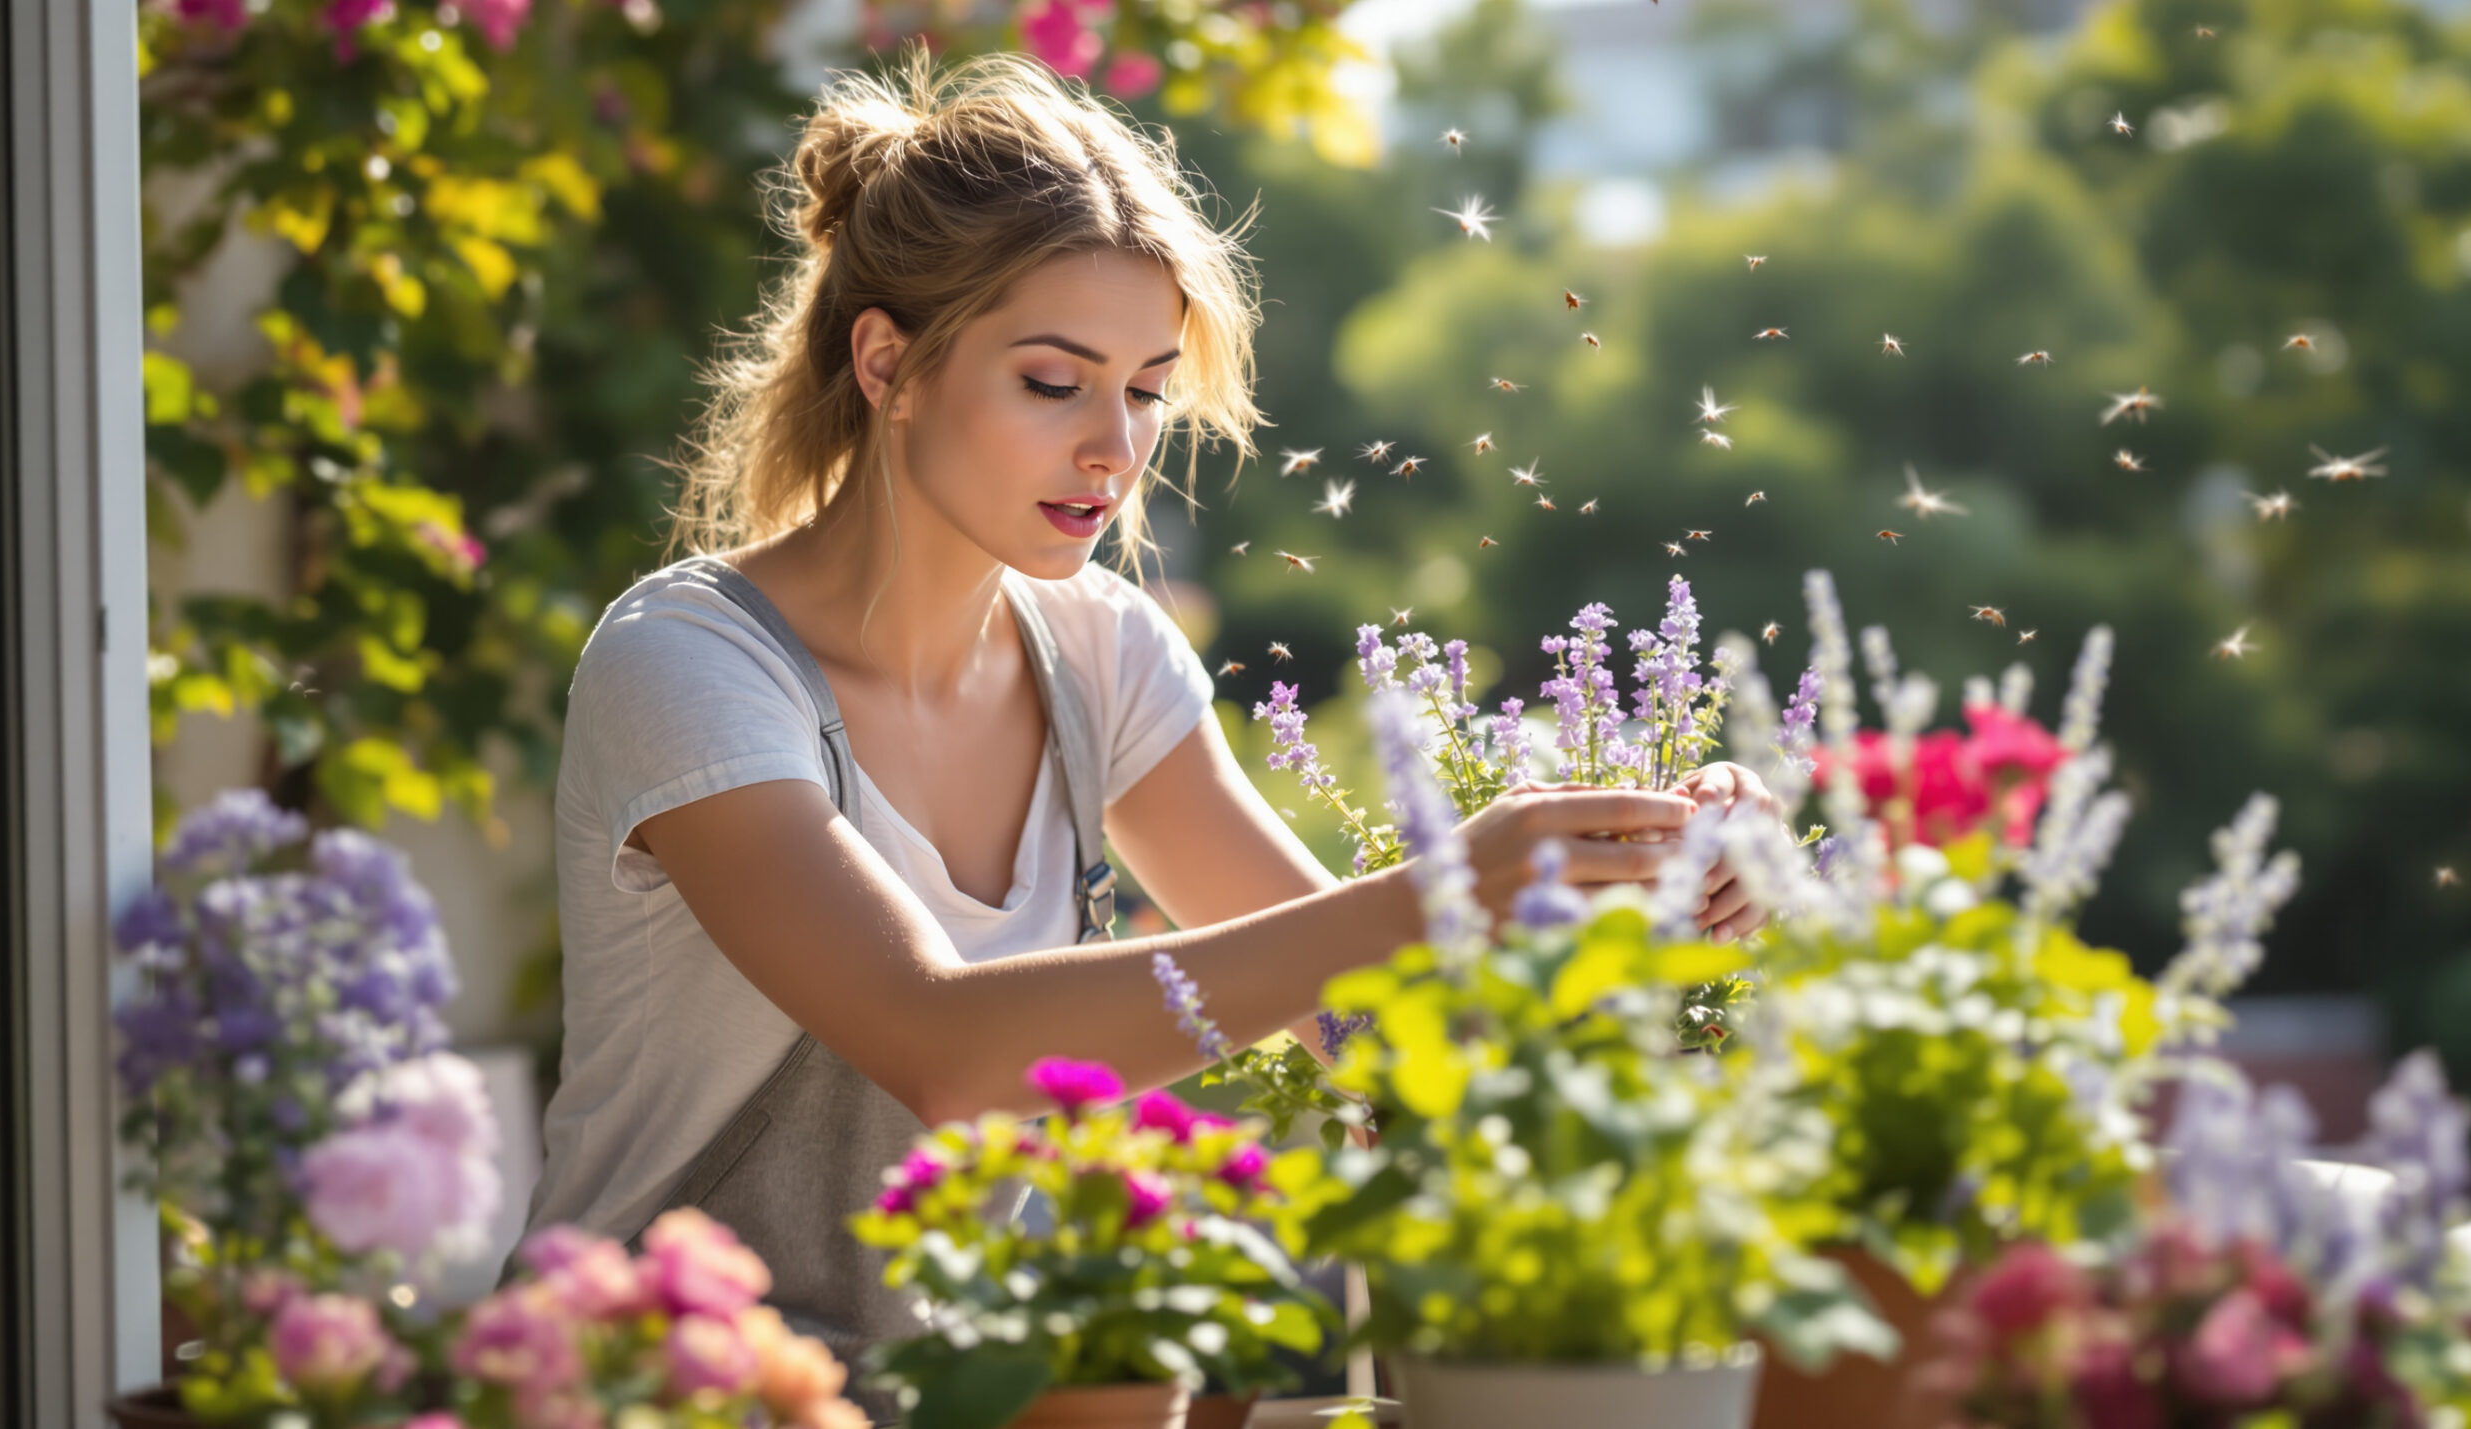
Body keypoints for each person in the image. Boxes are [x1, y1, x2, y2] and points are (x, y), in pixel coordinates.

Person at [520, 45, 1777, 1417]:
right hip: (660, 1389)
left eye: (1144, 389)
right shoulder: (690, 664)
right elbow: (941, 1048)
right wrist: (1436, 890)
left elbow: (1360, 1018)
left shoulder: (1102, 654)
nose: (1115, 451)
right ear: (889, 364)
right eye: (1052, 382)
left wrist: (1632, 889)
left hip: (974, 1393)